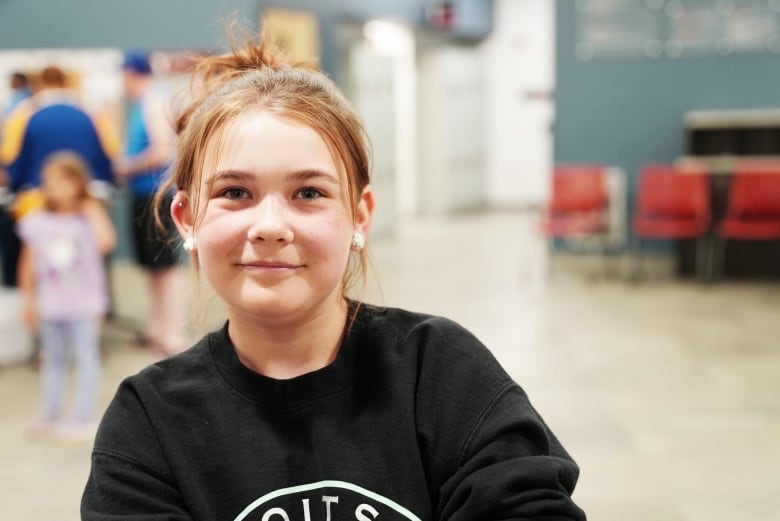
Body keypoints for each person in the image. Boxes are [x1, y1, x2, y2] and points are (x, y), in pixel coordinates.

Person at [82, 34, 586, 520]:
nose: (271, 227)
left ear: (359, 216)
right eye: (235, 192)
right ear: (188, 219)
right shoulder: (148, 422)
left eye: (308, 193)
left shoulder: (440, 371)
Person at [17, 151, 116, 440]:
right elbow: (28, 264)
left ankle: (84, 415)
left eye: (63, 182)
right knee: (53, 359)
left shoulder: (87, 217)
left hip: (84, 304)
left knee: (86, 357)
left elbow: (107, 242)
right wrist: (28, 301)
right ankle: (51, 412)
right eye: (49, 182)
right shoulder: (36, 221)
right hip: (51, 305)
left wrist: (93, 211)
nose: (55, 188)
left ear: (78, 183)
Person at [0, 65, 118, 286]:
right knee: (89, 258)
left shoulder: (23, 113)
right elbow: (109, 156)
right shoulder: (91, 111)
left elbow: (11, 160)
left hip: (37, 199)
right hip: (86, 198)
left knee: (41, 261)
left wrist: (15, 190)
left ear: (40, 83)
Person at [115, 51, 188, 355]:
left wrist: (124, 166)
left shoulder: (153, 101)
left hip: (155, 195)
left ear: (131, 74)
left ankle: (173, 333)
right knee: (153, 266)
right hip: (144, 194)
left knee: (166, 266)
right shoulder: (143, 102)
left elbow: (161, 152)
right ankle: (158, 327)